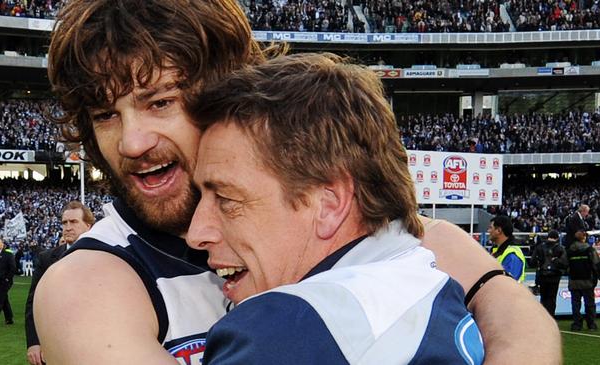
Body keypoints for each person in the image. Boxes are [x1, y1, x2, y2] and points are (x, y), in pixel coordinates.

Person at [35, 1, 559, 363]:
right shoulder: (89, 284)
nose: (130, 142)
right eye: (105, 115)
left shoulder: (368, 227)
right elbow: (510, 311)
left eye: (160, 102)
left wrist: (496, 302)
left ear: (225, 92)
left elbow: (522, 315)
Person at [186, 53, 485, 363]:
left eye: (226, 200)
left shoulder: (293, 327)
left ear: (329, 204)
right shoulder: (427, 279)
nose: (196, 234)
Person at [25, 201, 95, 365]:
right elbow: (34, 303)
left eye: (74, 222)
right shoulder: (47, 258)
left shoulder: (105, 255)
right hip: (55, 343)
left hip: (93, 341)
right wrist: (33, 342)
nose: (68, 227)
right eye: (64, 222)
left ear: (89, 226)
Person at [566, 230, 599, 331]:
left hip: (574, 281)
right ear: (584, 238)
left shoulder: (569, 251)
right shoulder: (589, 250)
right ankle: (591, 324)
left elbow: (564, 264)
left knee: (575, 304)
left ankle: (577, 324)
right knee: (589, 304)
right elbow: (596, 264)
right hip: (587, 281)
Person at [530, 230, 567, 317]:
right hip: (555, 277)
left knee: (543, 298)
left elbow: (532, 262)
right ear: (557, 238)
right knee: (552, 299)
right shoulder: (560, 248)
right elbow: (564, 264)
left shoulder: (540, 247)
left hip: (542, 275)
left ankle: (543, 318)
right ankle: (551, 318)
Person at [488, 215, 526, 282]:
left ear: (499, 230)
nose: (488, 231)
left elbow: (509, 283)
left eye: (491, 228)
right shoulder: (496, 251)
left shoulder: (512, 255)